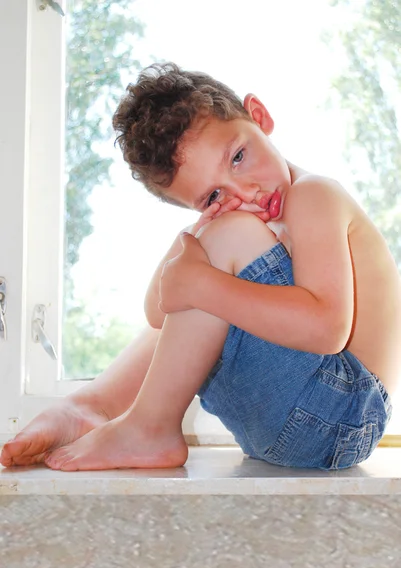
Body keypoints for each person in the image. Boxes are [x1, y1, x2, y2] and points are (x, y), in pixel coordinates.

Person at [1, 62, 400, 472]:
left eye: (239, 157)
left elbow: (327, 328)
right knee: (202, 272)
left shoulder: (314, 195)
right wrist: (198, 237)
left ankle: (149, 426)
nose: (246, 193)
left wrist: (204, 275)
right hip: (292, 424)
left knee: (217, 259)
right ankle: (89, 408)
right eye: (212, 196)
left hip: (343, 413)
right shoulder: (240, 227)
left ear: (259, 118)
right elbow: (159, 311)